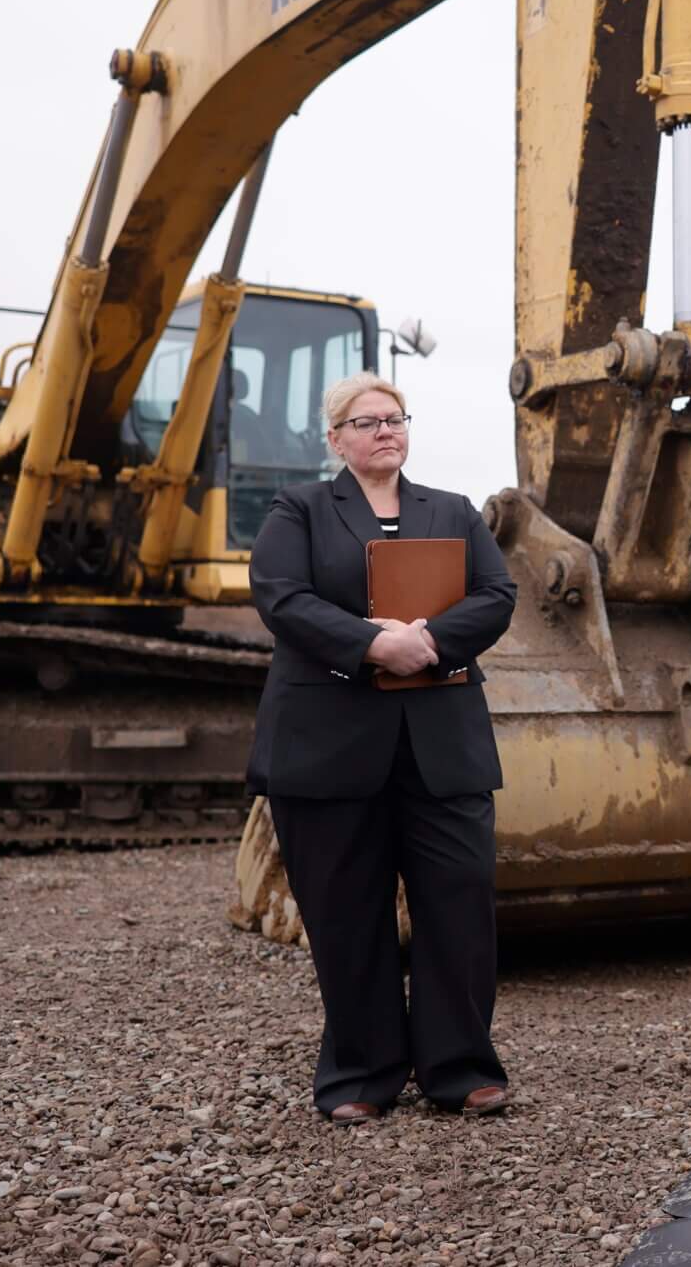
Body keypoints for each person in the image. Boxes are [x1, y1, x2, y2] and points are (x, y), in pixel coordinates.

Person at [245, 371, 519, 1124]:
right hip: (329, 745)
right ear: (335, 440)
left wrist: (426, 641)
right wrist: (371, 646)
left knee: (458, 904)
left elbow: (496, 595)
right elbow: (281, 596)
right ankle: (361, 1075)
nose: (385, 430)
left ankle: (459, 1069)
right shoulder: (298, 509)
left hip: (441, 742)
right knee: (346, 911)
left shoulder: (454, 512)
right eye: (366, 422)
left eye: (395, 418)